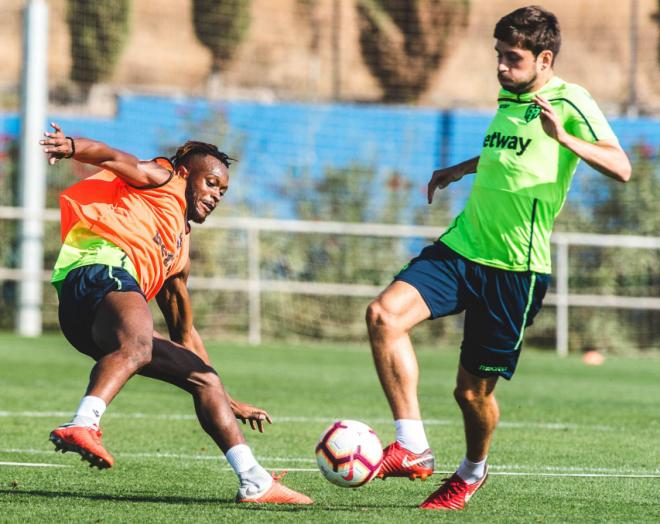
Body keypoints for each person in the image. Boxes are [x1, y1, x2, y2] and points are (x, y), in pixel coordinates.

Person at [366, 5, 630, 511]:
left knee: (471, 395)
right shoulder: (510, 98)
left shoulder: (571, 101)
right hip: (464, 248)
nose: (501, 67)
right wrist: (459, 169)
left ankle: (471, 471)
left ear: (544, 58)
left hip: (516, 270)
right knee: (383, 315)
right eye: (498, 55)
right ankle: (413, 446)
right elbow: (508, 155)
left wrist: (566, 139)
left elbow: (621, 166)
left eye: (512, 58)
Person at [40, 123, 312, 505]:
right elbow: (114, 157)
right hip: (97, 269)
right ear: (186, 174)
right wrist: (72, 146)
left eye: (222, 190)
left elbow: (185, 331)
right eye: (211, 183)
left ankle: (255, 481)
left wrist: (228, 398)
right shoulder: (163, 177)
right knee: (137, 343)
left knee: (204, 379)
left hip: (92, 320)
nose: (216, 195)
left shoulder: (178, 253)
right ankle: (82, 424)